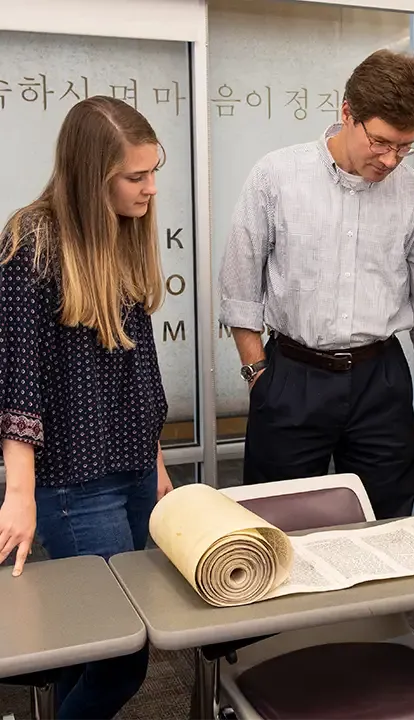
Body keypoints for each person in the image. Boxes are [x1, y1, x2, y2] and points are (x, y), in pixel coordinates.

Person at [219, 49, 414, 519]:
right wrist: (258, 377)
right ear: (346, 112)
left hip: (381, 380)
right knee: (276, 523)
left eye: (405, 146)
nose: (391, 159)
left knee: (388, 523)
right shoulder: (276, 178)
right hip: (292, 375)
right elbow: (239, 293)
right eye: (381, 142)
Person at [0, 96, 172, 719]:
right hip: (76, 485)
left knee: (91, 647)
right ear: (89, 176)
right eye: (136, 176)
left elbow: (139, 366)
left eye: (155, 171)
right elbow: (18, 378)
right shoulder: (32, 241)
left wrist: (154, 461)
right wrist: (19, 492)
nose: (151, 188)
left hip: (132, 470)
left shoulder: (124, 233)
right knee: (123, 657)